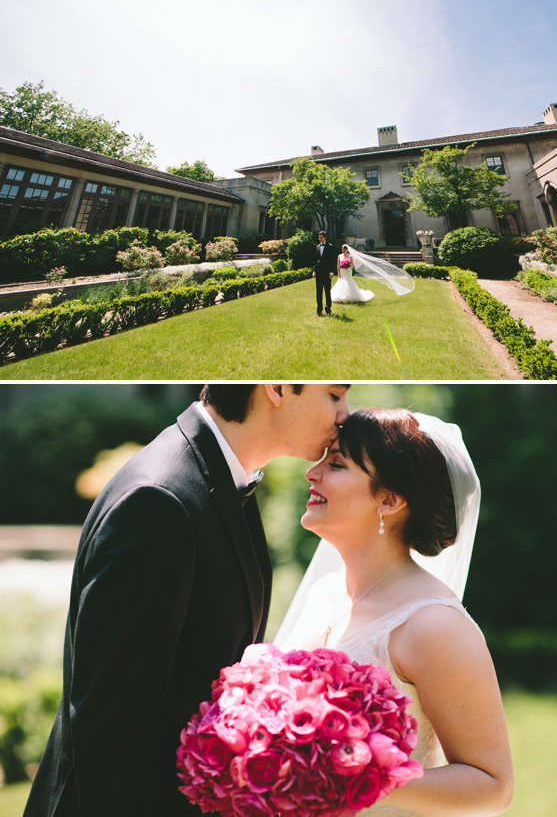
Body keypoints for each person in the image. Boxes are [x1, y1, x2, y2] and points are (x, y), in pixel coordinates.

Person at [24, 383, 350, 817]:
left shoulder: (221, 479)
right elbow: (113, 727)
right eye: (334, 395)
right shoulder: (159, 501)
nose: (344, 412)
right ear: (276, 387)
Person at [276, 408, 514, 817]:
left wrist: (355, 777)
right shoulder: (324, 594)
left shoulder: (432, 625)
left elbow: (492, 783)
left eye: (336, 464)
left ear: (389, 500)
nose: (311, 473)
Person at [313, 230, 337, 316]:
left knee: (327, 292)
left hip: (327, 273)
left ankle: (328, 310)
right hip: (319, 273)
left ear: (325, 237)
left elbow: (332, 260)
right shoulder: (317, 247)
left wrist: (331, 272)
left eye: (321, 237)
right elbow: (315, 260)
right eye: (319, 237)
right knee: (319, 292)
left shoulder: (330, 247)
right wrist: (314, 271)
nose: (319, 239)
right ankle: (319, 310)